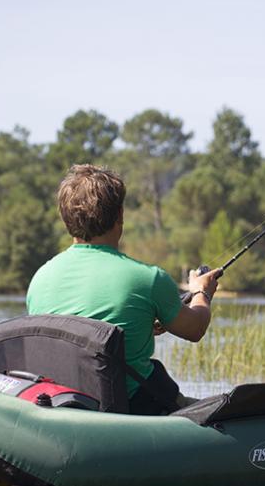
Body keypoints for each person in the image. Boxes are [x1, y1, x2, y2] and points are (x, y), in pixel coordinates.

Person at [26, 164, 220, 415]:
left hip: (64, 405)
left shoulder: (40, 279)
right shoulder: (149, 279)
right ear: (119, 215)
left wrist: (141, 324)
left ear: (65, 218)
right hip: (127, 409)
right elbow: (195, 329)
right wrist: (201, 292)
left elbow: (78, 330)